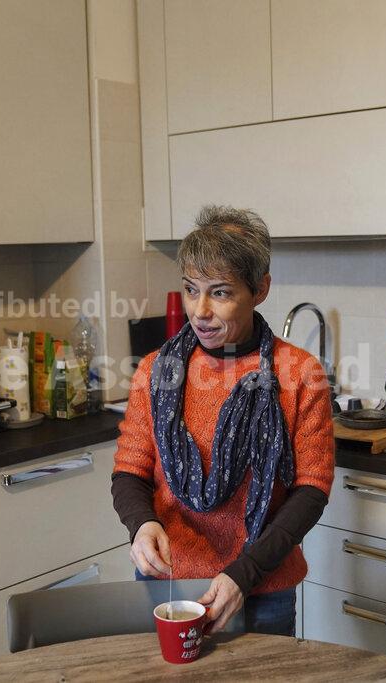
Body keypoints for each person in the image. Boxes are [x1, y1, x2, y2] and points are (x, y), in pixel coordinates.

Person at [111, 205, 335, 636]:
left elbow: (311, 491)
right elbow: (129, 472)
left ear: (260, 289)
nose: (200, 310)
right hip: (168, 583)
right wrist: (142, 525)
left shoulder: (300, 374)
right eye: (190, 290)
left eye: (220, 292)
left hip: (262, 589)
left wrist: (243, 575)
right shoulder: (157, 371)